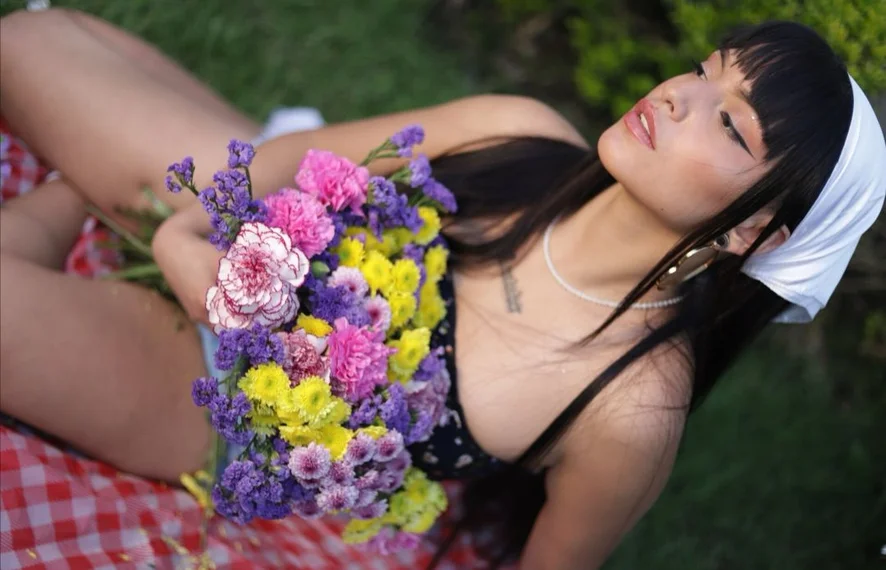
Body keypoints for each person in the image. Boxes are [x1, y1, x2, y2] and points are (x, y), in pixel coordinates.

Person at [0, 8, 883, 570]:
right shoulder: (516, 132)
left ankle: (63, 214)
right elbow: (299, 159)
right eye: (703, 69)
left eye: (729, 122)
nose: (679, 96)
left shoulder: (630, 412)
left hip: (222, 400)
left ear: (753, 234)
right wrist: (184, 237)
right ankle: (79, 207)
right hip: (241, 237)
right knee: (28, 45)